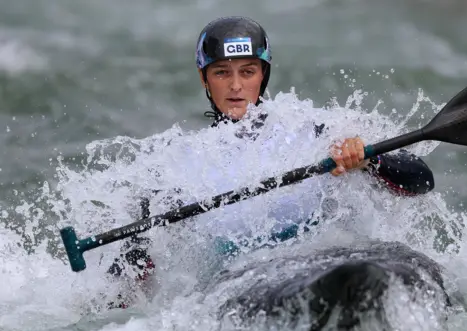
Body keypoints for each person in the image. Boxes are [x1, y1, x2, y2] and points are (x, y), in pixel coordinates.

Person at [106, 16, 435, 308]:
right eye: (222, 73)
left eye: (247, 72)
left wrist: (368, 159)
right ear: (204, 79)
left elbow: (421, 181)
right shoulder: (181, 166)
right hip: (249, 283)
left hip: (337, 260)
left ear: (263, 75)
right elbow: (131, 268)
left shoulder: (318, 132)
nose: (236, 86)